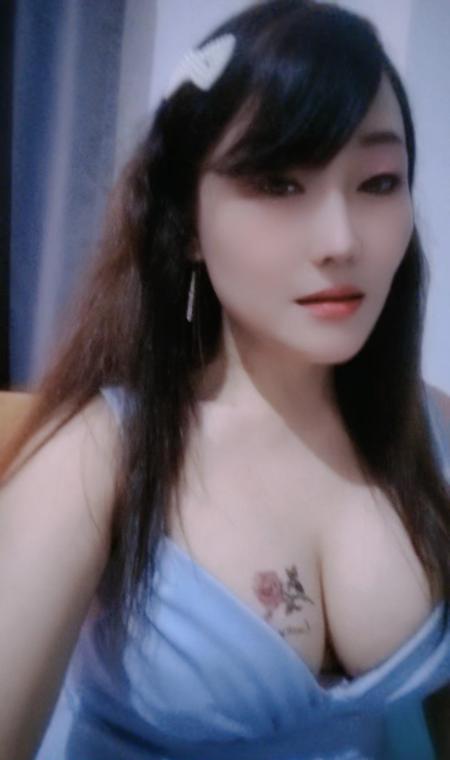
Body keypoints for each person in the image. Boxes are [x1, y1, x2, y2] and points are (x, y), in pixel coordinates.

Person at [1, 1, 449, 758]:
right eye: (278, 183)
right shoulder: (100, 458)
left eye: (377, 182)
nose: (341, 240)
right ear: (187, 221)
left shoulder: (428, 430)